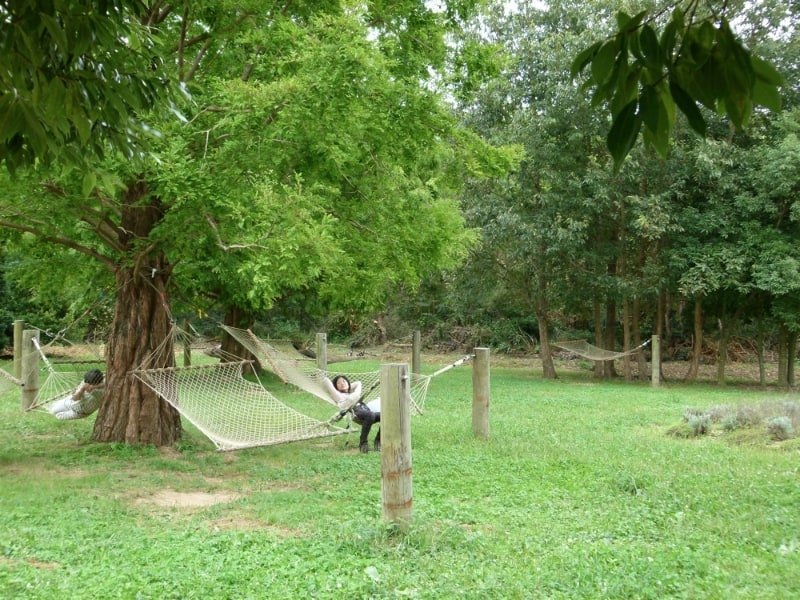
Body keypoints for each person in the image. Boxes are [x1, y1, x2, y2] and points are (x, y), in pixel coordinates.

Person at [323, 374, 381, 453]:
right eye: (339, 383)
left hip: (366, 410)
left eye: (344, 381)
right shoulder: (338, 395)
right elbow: (326, 381)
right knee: (370, 415)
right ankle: (363, 443)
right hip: (356, 413)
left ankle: (378, 440)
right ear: (336, 387)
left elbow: (358, 382)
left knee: (384, 415)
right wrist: (321, 374)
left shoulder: (353, 393)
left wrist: (348, 387)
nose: (342, 383)